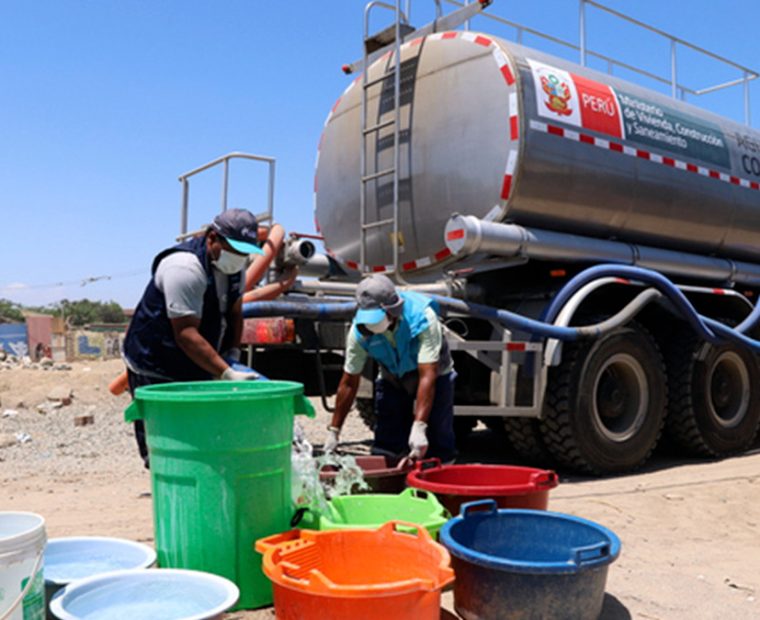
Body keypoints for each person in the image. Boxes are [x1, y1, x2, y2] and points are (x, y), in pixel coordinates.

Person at [123, 208, 266, 467]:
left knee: (206, 440)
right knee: (168, 448)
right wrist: (226, 373)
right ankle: (171, 492)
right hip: (155, 363)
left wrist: (232, 355)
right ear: (212, 237)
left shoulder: (235, 269)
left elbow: (235, 314)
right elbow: (186, 334)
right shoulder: (184, 267)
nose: (240, 258)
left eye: (245, 252)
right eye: (234, 249)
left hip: (193, 360)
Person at [325, 275, 457, 463]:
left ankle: (441, 480)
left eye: (376, 318)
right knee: (388, 439)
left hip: (434, 376)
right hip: (392, 376)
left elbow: (428, 375)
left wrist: (419, 427)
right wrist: (334, 431)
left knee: (437, 439)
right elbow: (349, 383)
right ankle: (390, 478)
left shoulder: (423, 318)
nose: (371, 325)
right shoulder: (359, 333)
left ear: (392, 310)